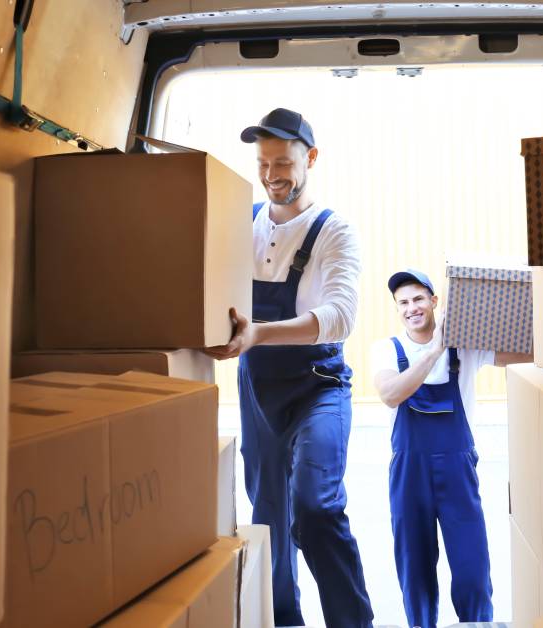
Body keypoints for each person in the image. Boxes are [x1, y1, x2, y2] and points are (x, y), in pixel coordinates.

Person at [206, 108, 373, 628]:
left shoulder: (334, 232)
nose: (272, 174)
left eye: (283, 162)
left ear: (311, 158)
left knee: (316, 509)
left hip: (318, 389)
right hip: (257, 390)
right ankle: (284, 621)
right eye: (262, 163)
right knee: (268, 520)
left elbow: (341, 317)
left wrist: (259, 333)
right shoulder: (241, 224)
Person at [370, 269, 530, 628]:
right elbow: (390, 394)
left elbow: (529, 352)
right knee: (416, 569)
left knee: (472, 568)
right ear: (398, 309)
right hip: (409, 473)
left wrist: (507, 310)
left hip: (458, 471)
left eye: (418, 299)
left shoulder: (466, 347)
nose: (412, 308)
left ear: (435, 301)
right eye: (404, 302)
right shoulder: (387, 350)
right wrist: (435, 348)